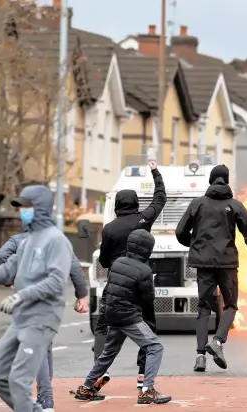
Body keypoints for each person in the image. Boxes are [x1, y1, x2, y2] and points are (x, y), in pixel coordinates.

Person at [176, 164, 247, 372]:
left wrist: (196, 246)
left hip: (203, 264)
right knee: (231, 305)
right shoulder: (235, 205)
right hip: (227, 263)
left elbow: (180, 231)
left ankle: (200, 357)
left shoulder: (197, 204)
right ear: (226, 181)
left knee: (204, 308)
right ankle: (218, 342)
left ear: (211, 181)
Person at [0, 186, 73, 412]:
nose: (21, 213)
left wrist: (20, 295)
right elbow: (6, 271)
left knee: (19, 381)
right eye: (20, 208)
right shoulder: (28, 241)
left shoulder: (56, 241)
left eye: (26, 207)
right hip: (21, 319)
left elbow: (57, 281)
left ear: (40, 209)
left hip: (41, 319)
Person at [0, 228, 89, 412]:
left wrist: (10, 280)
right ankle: (45, 398)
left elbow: (0, 256)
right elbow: (75, 267)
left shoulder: (18, 240)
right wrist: (82, 296)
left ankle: (44, 396)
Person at [74, 229, 171, 404]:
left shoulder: (118, 262)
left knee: (108, 353)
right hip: (129, 316)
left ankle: (86, 388)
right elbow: (148, 299)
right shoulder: (144, 270)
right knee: (155, 347)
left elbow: (109, 288)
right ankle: (147, 390)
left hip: (112, 314)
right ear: (147, 249)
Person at [94, 160, 166, 390]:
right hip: (142, 280)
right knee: (148, 325)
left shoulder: (110, 228)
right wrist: (155, 172)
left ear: (116, 205)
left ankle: (99, 371)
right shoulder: (143, 220)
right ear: (136, 203)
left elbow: (104, 260)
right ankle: (144, 374)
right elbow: (160, 197)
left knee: (103, 326)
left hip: (116, 283)